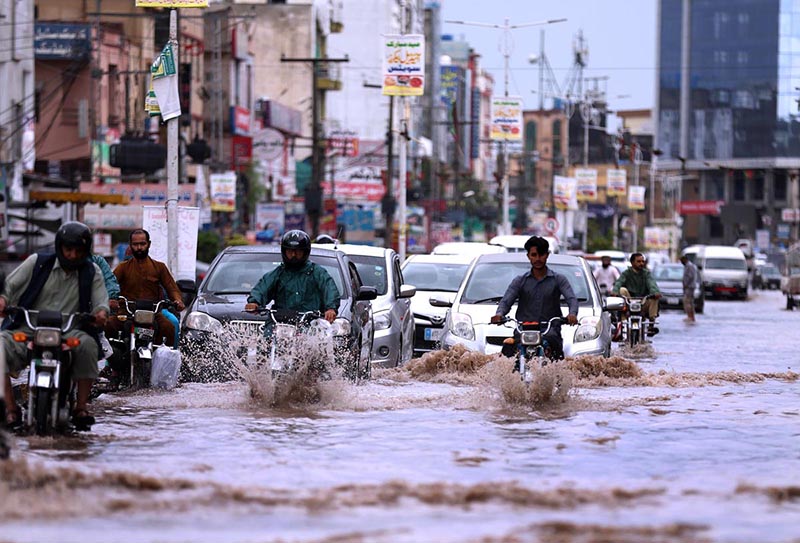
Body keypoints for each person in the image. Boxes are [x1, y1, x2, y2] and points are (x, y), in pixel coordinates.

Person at [0, 222, 109, 430]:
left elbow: (100, 301)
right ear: (60, 247)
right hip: (29, 328)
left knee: (88, 345)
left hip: (71, 330)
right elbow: (9, 286)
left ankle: (81, 407)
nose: (72, 255)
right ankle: (10, 409)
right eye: (68, 249)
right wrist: (3, 300)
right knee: (1, 345)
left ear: (85, 251)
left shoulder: (91, 271)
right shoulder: (37, 262)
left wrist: (101, 313)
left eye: (78, 251)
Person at [490, 236, 579, 360]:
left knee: (557, 356)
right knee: (507, 351)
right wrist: (499, 314)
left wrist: (572, 314)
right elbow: (506, 301)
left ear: (547, 255)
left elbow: (571, 299)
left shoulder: (558, 279)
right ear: (528, 256)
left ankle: (557, 377)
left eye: (541, 255)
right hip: (523, 330)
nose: (538, 259)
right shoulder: (520, 281)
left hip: (549, 331)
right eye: (534, 255)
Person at [107, 229, 185, 348]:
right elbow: (110, 284)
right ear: (130, 245)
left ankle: (164, 363)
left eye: (142, 244)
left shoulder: (159, 267)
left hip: (153, 313)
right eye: (135, 244)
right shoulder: (122, 268)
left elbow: (171, 288)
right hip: (127, 312)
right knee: (109, 324)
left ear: (149, 244)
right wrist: (110, 299)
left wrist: (178, 300)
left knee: (169, 328)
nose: (139, 247)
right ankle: (111, 362)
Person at [244, 230, 339, 326]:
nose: (293, 255)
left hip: (311, 323)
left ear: (305, 252)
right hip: (280, 322)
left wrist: (331, 308)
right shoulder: (278, 273)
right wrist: (254, 302)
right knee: (268, 336)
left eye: (298, 252)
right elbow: (263, 287)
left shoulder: (318, 272)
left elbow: (329, 289)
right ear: (284, 252)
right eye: (290, 251)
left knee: (322, 338)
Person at [612, 252, 662, 335]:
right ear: (632, 262)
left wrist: (655, 292)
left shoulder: (646, 273)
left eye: (642, 261)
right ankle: (622, 325)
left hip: (643, 302)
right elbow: (619, 282)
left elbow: (652, 283)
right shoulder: (626, 273)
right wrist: (614, 292)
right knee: (622, 290)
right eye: (638, 261)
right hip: (629, 302)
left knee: (654, 299)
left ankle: (651, 324)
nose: (641, 263)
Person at [680, 254, 698, 323]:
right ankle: (691, 316)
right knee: (690, 302)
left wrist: (686, 284)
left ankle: (690, 316)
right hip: (689, 286)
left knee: (687, 302)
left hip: (689, 287)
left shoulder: (689, 266)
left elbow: (689, 276)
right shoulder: (688, 266)